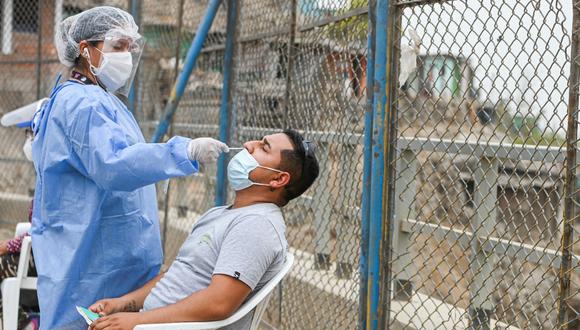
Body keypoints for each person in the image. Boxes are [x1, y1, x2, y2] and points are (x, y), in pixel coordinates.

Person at [30, 6, 228, 329]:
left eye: (129, 47)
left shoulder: (100, 99)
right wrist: (183, 152)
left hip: (114, 263)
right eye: (117, 46)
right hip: (94, 265)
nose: (126, 55)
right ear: (85, 49)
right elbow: (115, 164)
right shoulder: (83, 103)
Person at [86, 130, 319, 330]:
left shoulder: (257, 225)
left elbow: (218, 304)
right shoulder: (220, 214)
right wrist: (122, 304)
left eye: (263, 147)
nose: (249, 145)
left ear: (278, 179)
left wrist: (136, 322)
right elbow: (179, 275)